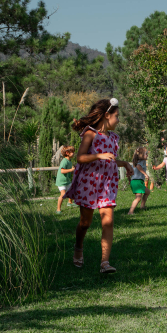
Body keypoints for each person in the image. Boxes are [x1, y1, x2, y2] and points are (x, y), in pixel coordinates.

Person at [65, 98, 134, 273]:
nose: (118, 120)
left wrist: (124, 163)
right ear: (106, 115)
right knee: (85, 223)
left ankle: (105, 262)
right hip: (89, 182)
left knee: (108, 222)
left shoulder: (114, 138)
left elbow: (109, 160)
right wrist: (98, 156)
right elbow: (80, 157)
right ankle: (79, 246)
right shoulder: (91, 134)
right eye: (116, 116)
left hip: (107, 185)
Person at [128, 147, 151, 215]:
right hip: (137, 181)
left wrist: (129, 180)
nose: (147, 155)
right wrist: (145, 174)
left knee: (147, 192)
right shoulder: (139, 162)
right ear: (141, 155)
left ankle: (142, 206)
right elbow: (138, 166)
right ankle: (130, 212)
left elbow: (130, 172)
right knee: (138, 198)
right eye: (146, 154)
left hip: (136, 181)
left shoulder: (139, 161)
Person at [55, 145, 77, 214]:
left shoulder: (69, 161)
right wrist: (71, 170)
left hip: (66, 180)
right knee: (63, 195)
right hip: (61, 181)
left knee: (72, 190)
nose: (74, 153)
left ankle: (70, 202)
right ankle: (58, 210)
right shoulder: (64, 161)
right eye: (72, 152)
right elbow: (62, 171)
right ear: (67, 153)